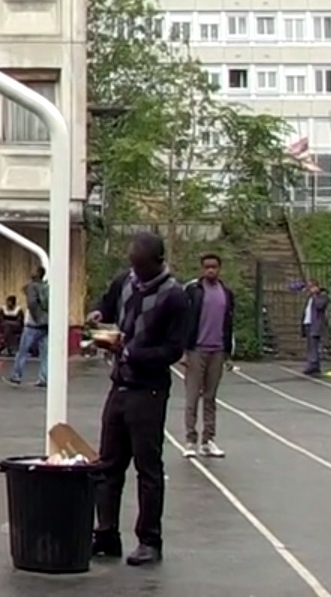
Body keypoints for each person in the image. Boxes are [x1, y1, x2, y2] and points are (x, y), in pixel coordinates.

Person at [90, 230, 189, 567]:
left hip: (149, 389)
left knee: (148, 468)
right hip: (119, 384)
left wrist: (131, 352)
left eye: (141, 266)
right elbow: (107, 303)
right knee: (108, 464)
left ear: (158, 262)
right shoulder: (125, 281)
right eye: (133, 265)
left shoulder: (175, 297)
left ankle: (149, 540)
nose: (136, 271)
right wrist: (98, 314)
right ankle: (106, 533)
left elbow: (173, 350)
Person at [180, 253, 236, 459]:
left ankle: (208, 440)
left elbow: (229, 323)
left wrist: (228, 352)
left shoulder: (226, 293)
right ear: (202, 269)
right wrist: (183, 351)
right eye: (207, 267)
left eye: (214, 267)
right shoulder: (193, 291)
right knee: (192, 396)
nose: (211, 270)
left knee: (210, 397)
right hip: (196, 350)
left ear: (219, 269)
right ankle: (190, 440)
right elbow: (184, 319)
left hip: (217, 350)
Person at [8, 266, 49, 387]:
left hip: (33, 324)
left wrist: (37, 318)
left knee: (23, 351)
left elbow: (31, 303)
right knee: (44, 353)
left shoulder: (32, 287)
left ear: (38, 274)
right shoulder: (45, 287)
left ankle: (16, 375)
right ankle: (44, 378)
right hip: (45, 324)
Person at [301, 280, 330, 375]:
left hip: (316, 324)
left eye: (312, 287)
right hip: (308, 323)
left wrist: (315, 295)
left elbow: (319, 306)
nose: (310, 289)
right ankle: (315, 365)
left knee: (314, 345)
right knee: (310, 345)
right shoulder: (310, 298)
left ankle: (312, 364)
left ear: (317, 287)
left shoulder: (322, 296)